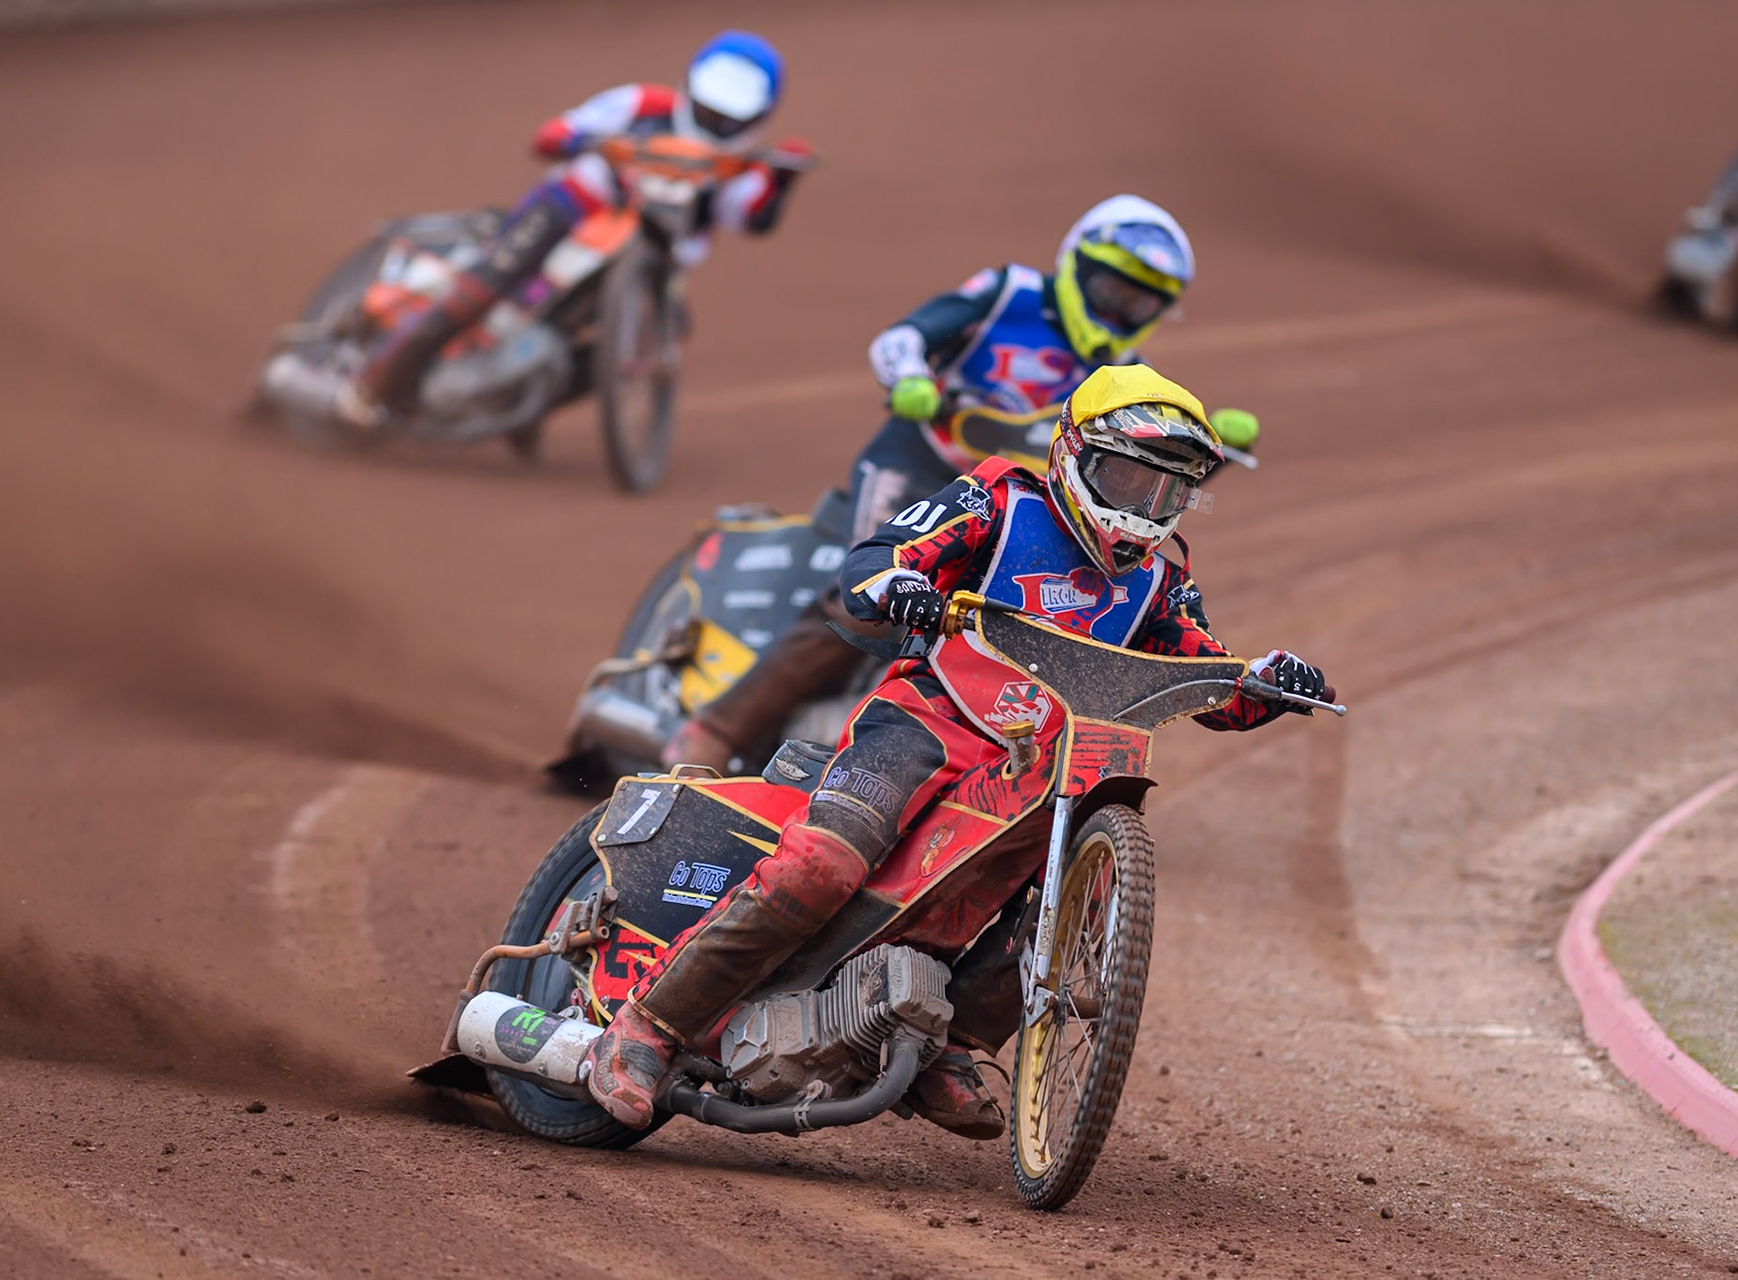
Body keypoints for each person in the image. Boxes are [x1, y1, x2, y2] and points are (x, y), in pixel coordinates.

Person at [590, 364, 1331, 1136]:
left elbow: (1208, 678)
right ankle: (649, 1026)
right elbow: (878, 557)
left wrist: (1269, 682)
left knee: (1074, 895)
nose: (1145, 511)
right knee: (825, 863)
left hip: (1042, 764)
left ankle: (950, 1043)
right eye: (1128, 480)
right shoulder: (999, 500)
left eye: (1167, 494)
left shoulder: (1161, 582)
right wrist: (895, 585)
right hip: (927, 720)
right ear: (1074, 455)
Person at [664, 195, 1258, 771]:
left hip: (1023, 497)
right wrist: (910, 377)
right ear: (1076, 263)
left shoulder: (1122, 381)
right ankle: (715, 731)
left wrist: (1210, 440)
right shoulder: (1009, 295)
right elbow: (900, 339)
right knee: (872, 593)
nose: (1118, 311)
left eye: (1137, 304)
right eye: (1111, 291)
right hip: (923, 457)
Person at [334, 30, 809, 430]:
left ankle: (515, 409)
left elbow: (749, 219)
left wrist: (781, 182)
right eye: (712, 110)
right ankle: (375, 381)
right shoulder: (640, 104)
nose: (720, 123)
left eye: (731, 117)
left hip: (653, 259)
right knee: (496, 277)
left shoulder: (743, 166)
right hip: (571, 210)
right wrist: (586, 139)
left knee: (648, 341)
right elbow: (552, 135)